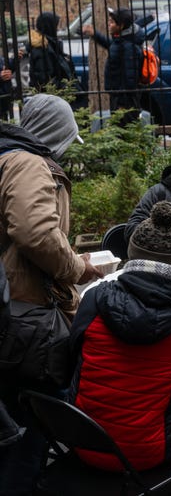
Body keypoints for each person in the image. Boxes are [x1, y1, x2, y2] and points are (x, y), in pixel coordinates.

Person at [69, 201, 171, 496]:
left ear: (132, 254)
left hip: (82, 438)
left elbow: (72, 356)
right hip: (149, 452)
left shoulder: (94, 299)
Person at [0, 94, 104, 495]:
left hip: (11, 304)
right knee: (32, 426)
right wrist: (77, 267)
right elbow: (35, 233)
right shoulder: (26, 162)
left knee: (16, 421)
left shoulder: (9, 157)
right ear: (56, 133)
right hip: (25, 314)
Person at [83, 7, 144, 126]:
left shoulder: (128, 47)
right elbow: (112, 47)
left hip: (124, 99)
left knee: (124, 129)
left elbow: (130, 78)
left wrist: (122, 103)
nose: (108, 24)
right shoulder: (122, 40)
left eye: (112, 22)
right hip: (117, 95)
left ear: (121, 26)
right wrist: (94, 34)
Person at [27, 12, 75, 92]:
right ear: (49, 27)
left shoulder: (52, 44)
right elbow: (44, 79)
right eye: (55, 26)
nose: (57, 29)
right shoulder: (41, 48)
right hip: (53, 96)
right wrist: (62, 88)